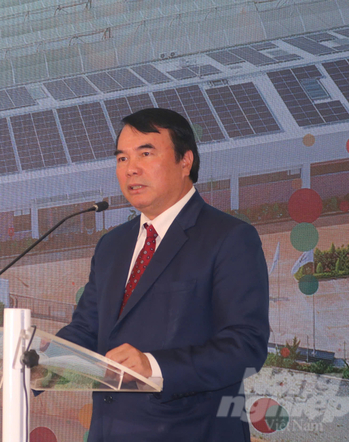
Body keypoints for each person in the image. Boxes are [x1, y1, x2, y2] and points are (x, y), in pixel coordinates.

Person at [56, 108, 269, 441]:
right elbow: (87, 328)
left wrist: (153, 367)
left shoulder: (229, 237)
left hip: (191, 431)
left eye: (146, 153)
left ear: (185, 160)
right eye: (122, 159)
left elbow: (245, 347)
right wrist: (40, 362)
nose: (131, 169)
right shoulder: (112, 245)